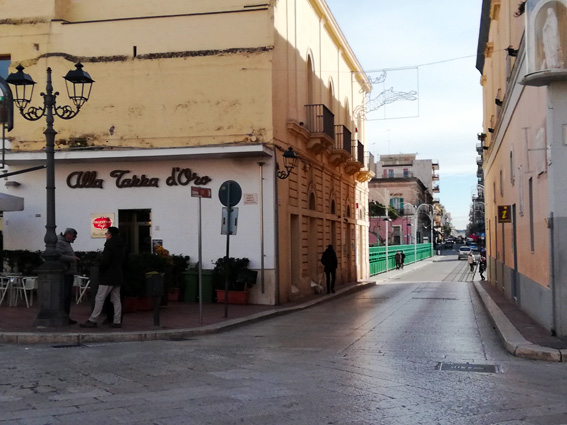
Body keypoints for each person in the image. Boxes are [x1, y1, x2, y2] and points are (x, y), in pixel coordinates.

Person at [81, 227, 125, 328]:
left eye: (107, 233)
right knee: (116, 299)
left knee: (99, 298)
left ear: (110, 234)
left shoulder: (109, 244)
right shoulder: (121, 245)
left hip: (108, 276)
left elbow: (106, 261)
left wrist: (100, 267)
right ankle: (117, 321)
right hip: (118, 275)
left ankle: (93, 319)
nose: (106, 235)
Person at [56, 228, 79, 325]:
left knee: (67, 296)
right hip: (65, 273)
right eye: (73, 236)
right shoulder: (61, 243)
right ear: (68, 234)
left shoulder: (65, 243)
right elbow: (57, 255)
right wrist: (71, 258)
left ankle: (66, 316)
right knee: (65, 296)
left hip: (68, 272)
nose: (74, 239)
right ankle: (64, 316)